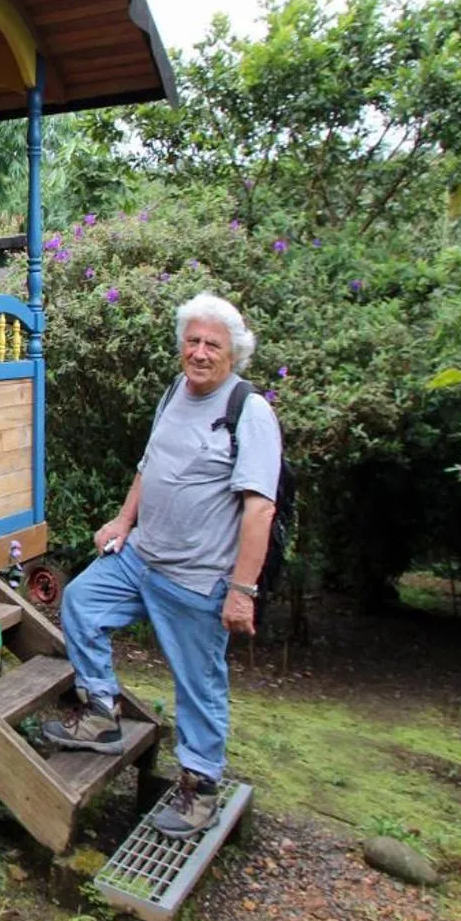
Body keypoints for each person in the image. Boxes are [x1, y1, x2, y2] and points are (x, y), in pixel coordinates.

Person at [44, 292, 281, 838]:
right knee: (82, 602)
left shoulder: (249, 412)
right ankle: (100, 713)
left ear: (234, 352)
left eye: (212, 344)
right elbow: (149, 465)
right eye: (192, 341)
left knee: (197, 683)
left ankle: (200, 788)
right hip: (140, 559)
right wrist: (123, 522)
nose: (199, 352)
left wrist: (242, 590)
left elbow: (260, 509)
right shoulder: (175, 391)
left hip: (197, 579)